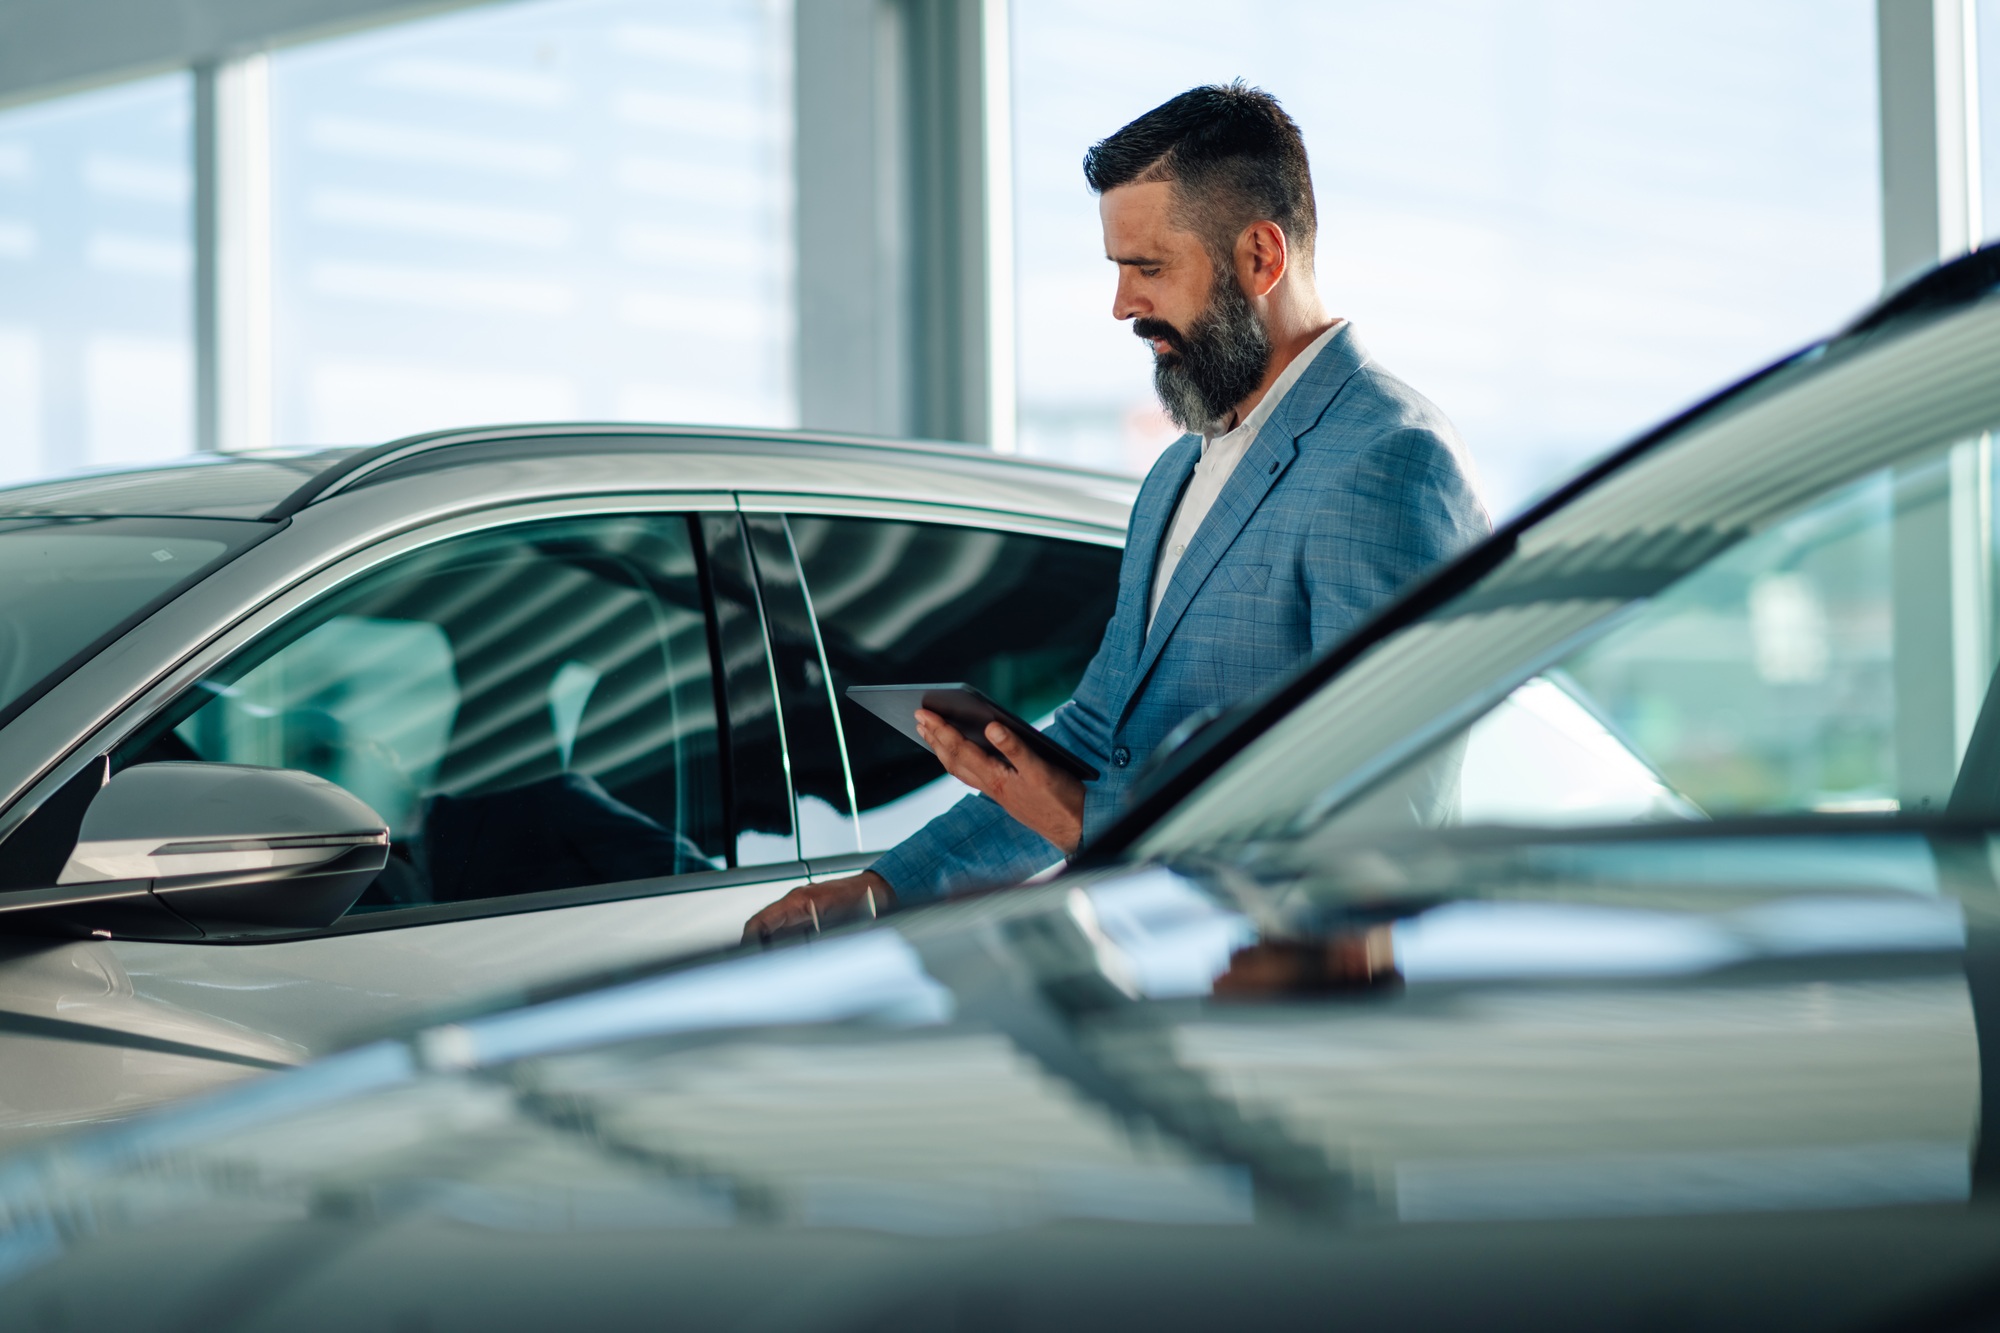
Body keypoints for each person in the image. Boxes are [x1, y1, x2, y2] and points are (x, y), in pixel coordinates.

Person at [744, 82, 1488, 940]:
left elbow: (1385, 820)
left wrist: (1090, 824)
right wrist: (884, 888)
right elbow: (1099, 740)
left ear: (1260, 257)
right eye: (1117, 269)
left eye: (1149, 268)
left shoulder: (1390, 461)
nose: (1123, 305)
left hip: (1290, 1005)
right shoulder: (1176, 473)